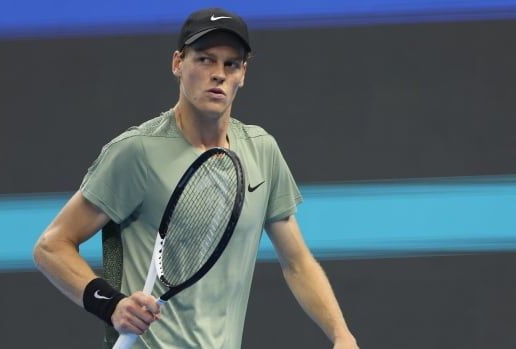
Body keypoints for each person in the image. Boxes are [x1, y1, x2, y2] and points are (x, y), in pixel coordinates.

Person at [33, 7, 359, 349]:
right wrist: (111, 305)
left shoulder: (262, 151)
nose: (218, 74)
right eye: (205, 60)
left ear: (243, 74)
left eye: (231, 64)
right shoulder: (136, 152)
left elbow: (296, 262)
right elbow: (51, 247)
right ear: (178, 63)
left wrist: (341, 335)